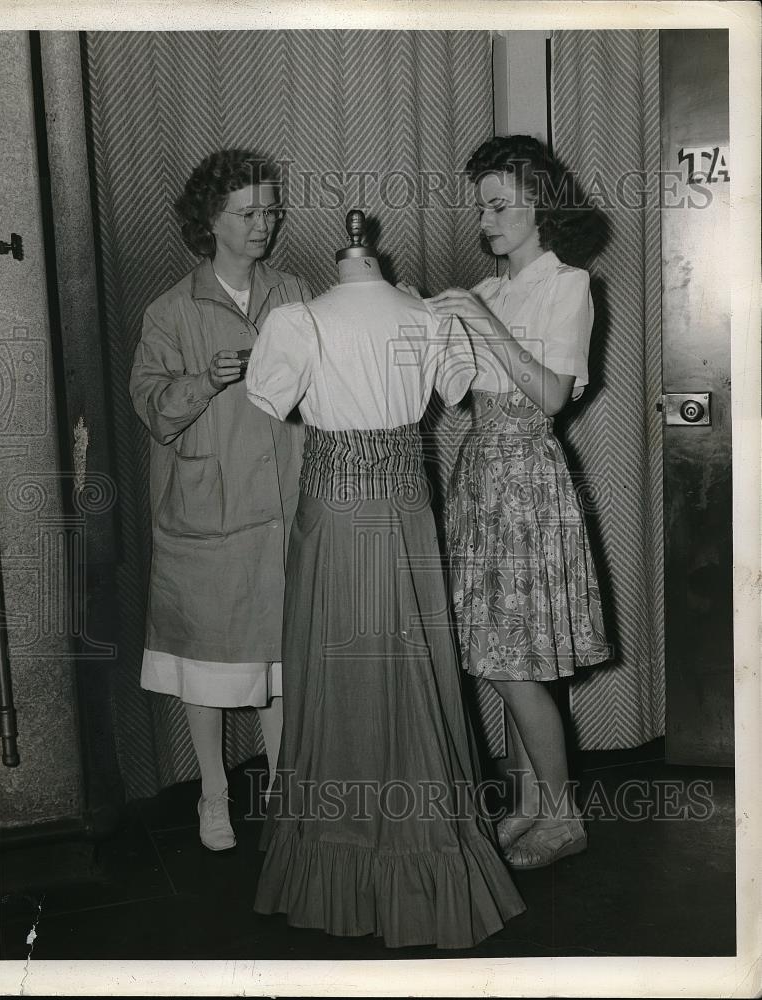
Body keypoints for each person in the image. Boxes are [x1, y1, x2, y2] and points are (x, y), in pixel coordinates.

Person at [244, 217, 525, 950]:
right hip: (400, 505)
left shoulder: (300, 321)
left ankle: (356, 866)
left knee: (353, 674)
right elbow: (457, 391)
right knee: (402, 672)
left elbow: (270, 400)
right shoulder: (419, 316)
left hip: (339, 512)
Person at [427, 135, 611, 870]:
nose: (486, 220)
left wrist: (481, 323)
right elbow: (449, 392)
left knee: (515, 661)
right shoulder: (487, 291)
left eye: (499, 205)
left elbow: (549, 394)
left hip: (528, 476)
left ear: (539, 205)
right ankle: (532, 803)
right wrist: (428, 326)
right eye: (481, 206)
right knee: (497, 651)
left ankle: (562, 818)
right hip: (480, 476)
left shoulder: (568, 285)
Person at [129, 149, 312, 851]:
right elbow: (153, 410)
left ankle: (286, 789)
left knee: (278, 664)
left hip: (287, 503)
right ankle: (212, 794)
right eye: (247, 213)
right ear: (209, 222)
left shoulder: (294, 293)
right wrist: (205, 380)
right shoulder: (171, 311)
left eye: (270, 210)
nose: (263, 224)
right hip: (208, 512)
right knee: (206, 663)